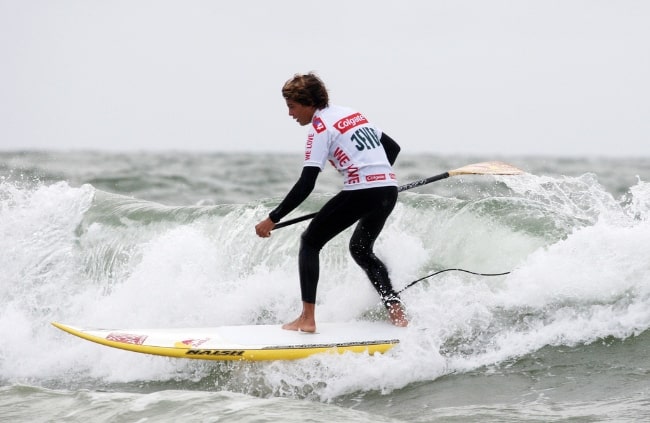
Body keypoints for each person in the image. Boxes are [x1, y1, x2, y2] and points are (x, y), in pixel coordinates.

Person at [255, 72, 408, 332]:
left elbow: (306, 183)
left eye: (292, 106)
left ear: (308, 103)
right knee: (361, 248)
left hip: (363, 189)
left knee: (310, 241)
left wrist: (273, 218)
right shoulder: (351, 114)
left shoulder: (321, 128)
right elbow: (392, 148)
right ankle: (396, 312)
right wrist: (377, 177)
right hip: (387, 189)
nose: (291, 114)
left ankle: (307, 319)